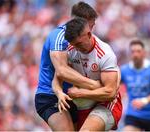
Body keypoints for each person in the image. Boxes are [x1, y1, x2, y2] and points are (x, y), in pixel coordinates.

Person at [34, 2, 101, 131]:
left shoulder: (83, 40)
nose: (91, 32)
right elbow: (61, 70)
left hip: (74, 96)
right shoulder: (59, 36)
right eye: (90, 26)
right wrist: (93, 85)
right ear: (80, 22)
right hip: (50, 95)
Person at [54, 17, 122, 131]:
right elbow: (59, 75)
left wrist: (81, 93)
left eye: (79, 43)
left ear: (89, 35)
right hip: (83, 104)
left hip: (106, 103)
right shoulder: (71, 49)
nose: (77, 48)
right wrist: (59, 92)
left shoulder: (105, 54)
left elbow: (110, 92)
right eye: (74, 44)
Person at [121, 39, 150, 131]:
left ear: (144, 53)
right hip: (133, 114)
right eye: (133, 52)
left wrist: (144, 101)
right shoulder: (124, 70)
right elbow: (113, 86)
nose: (135, 54)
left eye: (138, 51)